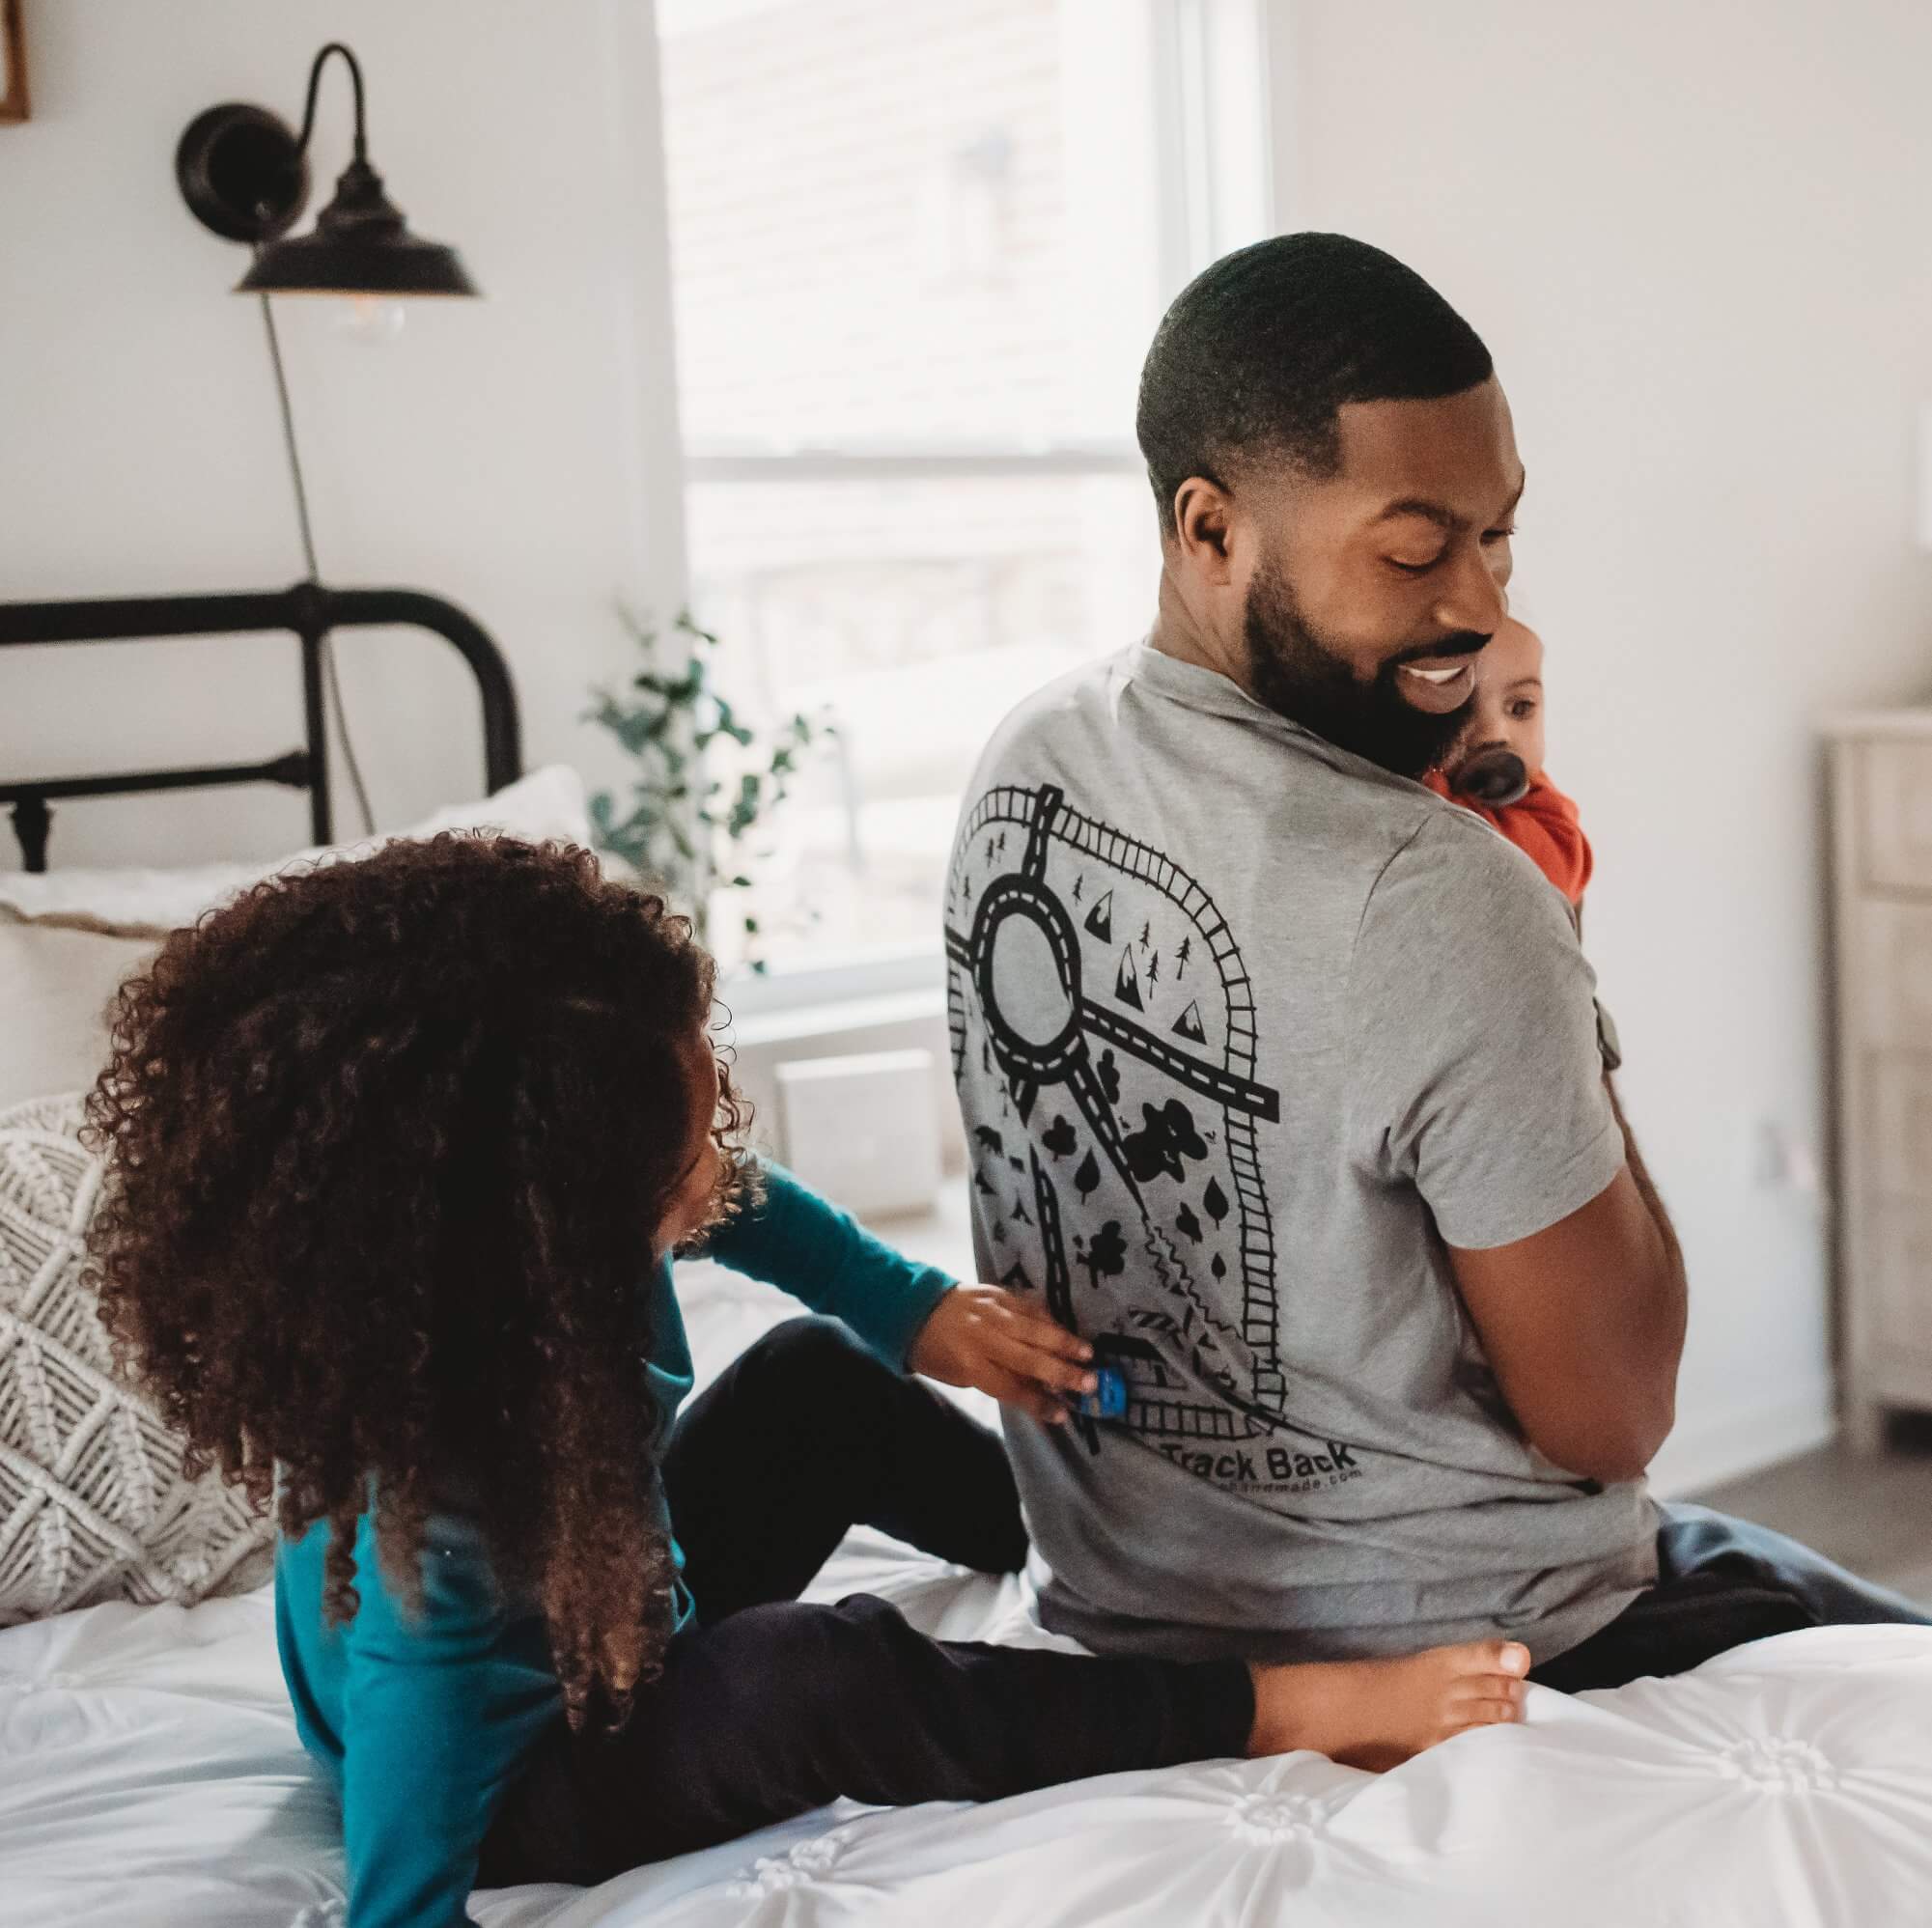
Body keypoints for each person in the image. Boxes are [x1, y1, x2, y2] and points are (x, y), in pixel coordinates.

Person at [84, 832, 1535, 1928]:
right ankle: (1267, 1703)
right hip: (525, 1776)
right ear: (556, 1216)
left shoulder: (571, 1209)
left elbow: (749, 1209)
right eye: (684, 1154)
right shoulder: (440, 1499)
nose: (719, 1161)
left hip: (627, 1611)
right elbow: (402, 1830)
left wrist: (920, 1315)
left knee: (811, 1373)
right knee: (808, 1672)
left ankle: (1115, 1556)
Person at [946, 231, 1929, 1692]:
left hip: (1118, 1602)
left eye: (1499, 535)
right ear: (1209, 530)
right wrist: (1552, 957)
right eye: (1413, 550)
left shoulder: (1024, 764)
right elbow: (1614, 1414)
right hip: (1480, 1631)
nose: (1475, 606)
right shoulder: (1441, 893)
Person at [1422, 612, 1592, 908]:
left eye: (1521, 707)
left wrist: (1431, 786)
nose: (1494, 734)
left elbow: (1548, 875)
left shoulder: (1543, 806)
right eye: (1460, 709)